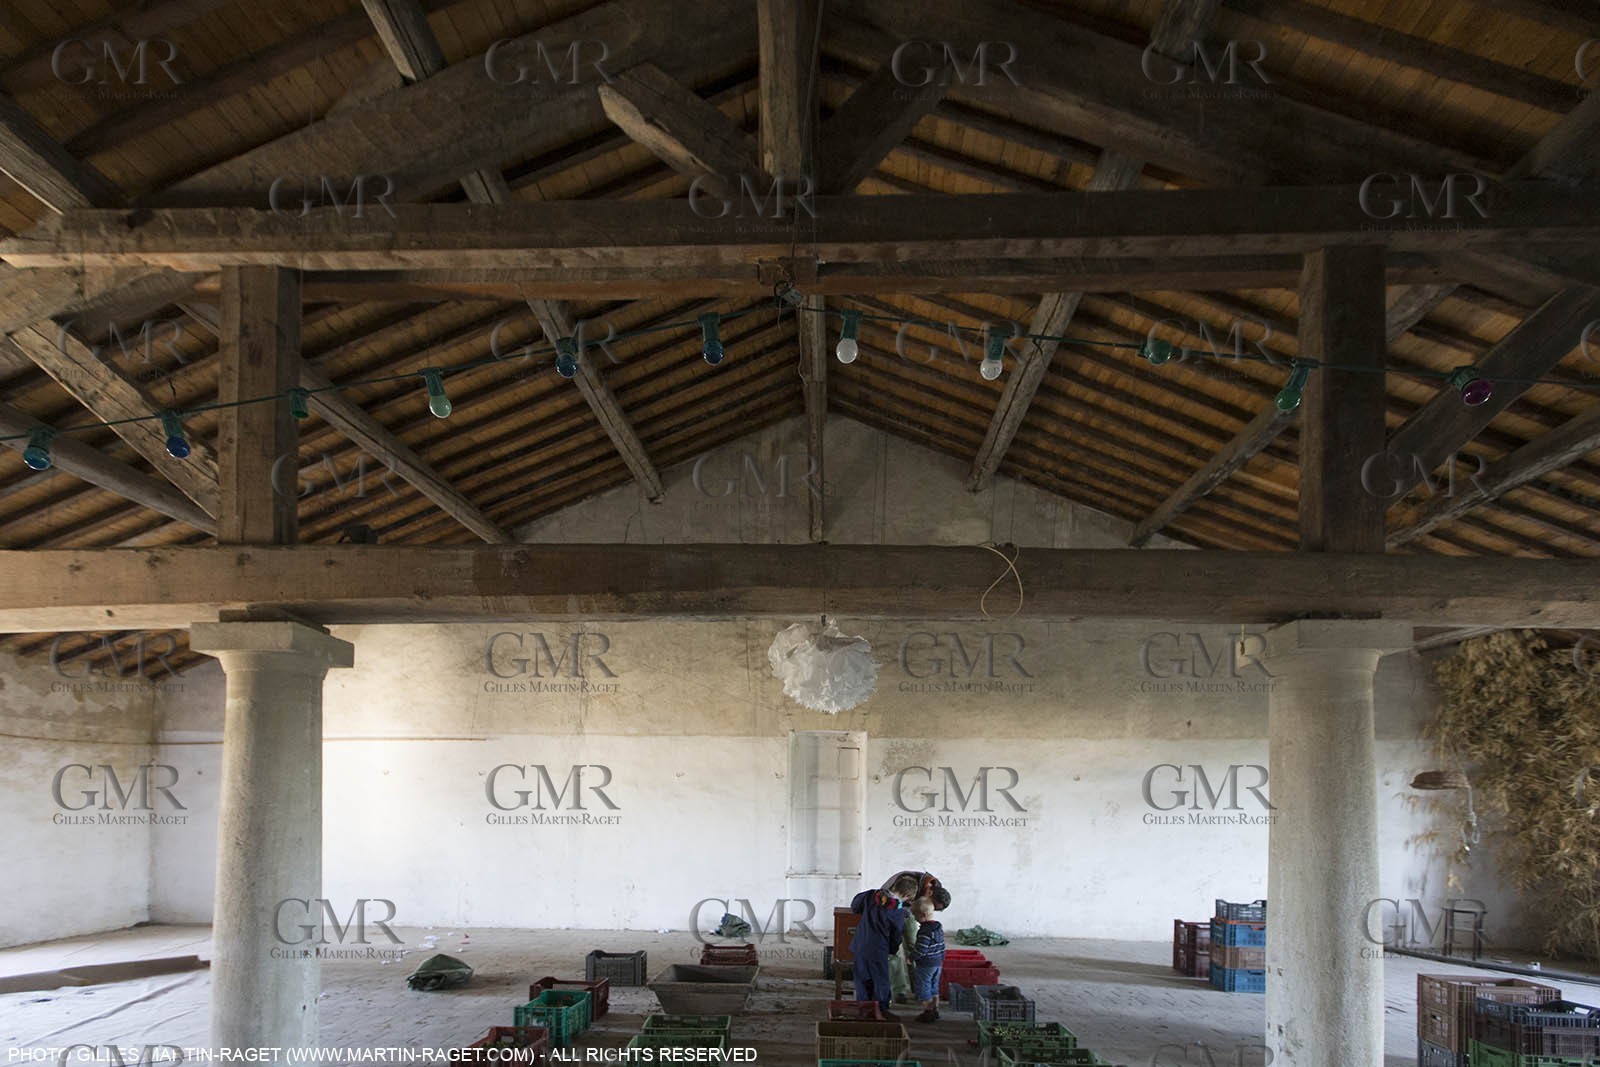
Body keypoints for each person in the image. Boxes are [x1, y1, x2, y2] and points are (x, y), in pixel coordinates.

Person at [851, 874, 919, 1019]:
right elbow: (896, 936)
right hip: (878, 950)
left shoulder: (871, 895)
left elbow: (855, 905)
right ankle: (881, 1010)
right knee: (880, 979)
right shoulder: (897, 912)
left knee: (862, 978)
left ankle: (864, 1010)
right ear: (907, 895)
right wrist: (892, 950)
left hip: (859, 945)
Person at [909, 897, 946, 1023]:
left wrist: (911, 957)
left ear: (923, 915)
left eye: (915, 916)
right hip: (937, 963)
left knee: (924, 988)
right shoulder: (938, 928)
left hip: (925, 965)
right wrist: (941, 959)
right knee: (934, 987)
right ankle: (935, 1010)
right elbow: (942, 947)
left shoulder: (924, 932)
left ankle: (928, 1013)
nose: (915, 919)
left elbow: (921, 950)